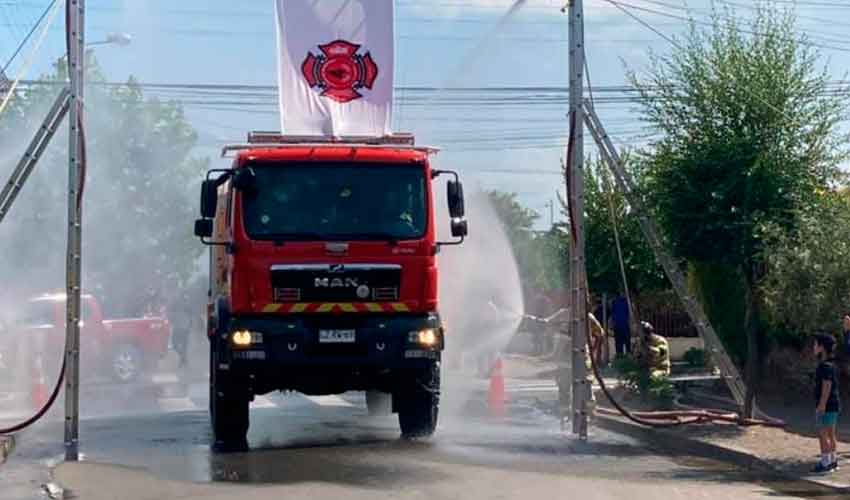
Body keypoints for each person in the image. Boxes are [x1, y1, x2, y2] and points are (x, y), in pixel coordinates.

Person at [811, 333, 841, 473]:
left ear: (822, 347)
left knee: (822, 434)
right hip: (834, 404)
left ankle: (825, 463)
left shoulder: (824, 366)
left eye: (815, 344)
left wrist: (822, 404)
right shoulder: (832, 364)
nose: (814, 347)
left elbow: (827, 385)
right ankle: (833, 461)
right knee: (831, 433)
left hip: (827, 405)